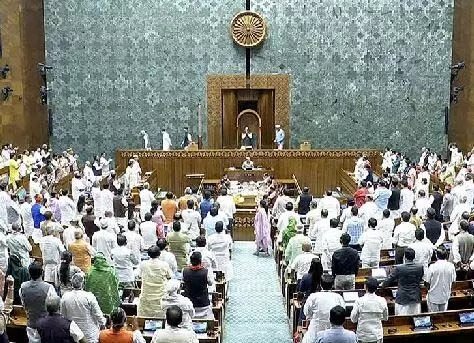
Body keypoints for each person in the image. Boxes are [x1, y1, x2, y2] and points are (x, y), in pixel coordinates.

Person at [61, 273, 106, 343]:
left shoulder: (65, 297)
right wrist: (103, 323)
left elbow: (63, 316)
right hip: (90, 335)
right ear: (83, 283)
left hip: (73, 335)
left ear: (72, 283)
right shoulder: (89, 296)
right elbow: (98, 315)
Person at [20, 261, 57, 343]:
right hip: (45, 325)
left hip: (31, 323)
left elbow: (24, 304)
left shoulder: (23, 287)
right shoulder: (49, 288)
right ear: (42, 273)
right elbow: (54, 307)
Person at [382, 248, 424, 315]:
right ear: (414, 256)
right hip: (415, 297)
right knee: (415, 318)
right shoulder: (420, 267)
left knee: (402, 319)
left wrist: (382, 285)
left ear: (404, 257)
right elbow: (420, 279)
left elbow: (390, 279)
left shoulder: (399, 268)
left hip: (403, 298)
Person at [303, 274, 345, 340]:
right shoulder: (338, 297)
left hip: (315, 332)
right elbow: (342, 313)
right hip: (333, 334)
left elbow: (306, 313)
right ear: (332, 285)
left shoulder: (313, 296)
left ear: (320, 285)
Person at [350, 277, 388, 343]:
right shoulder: (382, 300)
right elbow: (385, 318)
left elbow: (353, 319)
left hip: (363, 336)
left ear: (365, 287)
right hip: (377, 336)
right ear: (376, 288)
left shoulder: (359, 301)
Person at [137, 245, 172, 317]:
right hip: (160, 296)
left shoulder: (143, 264)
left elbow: (139, 276)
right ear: (159, 254)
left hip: (147, 295)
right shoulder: (164, 265)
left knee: (145, 316)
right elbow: (170, 276)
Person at [182, 251, 214, 319]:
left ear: (190, 261)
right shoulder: (206, 272)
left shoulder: (184, 270)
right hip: (203, 304)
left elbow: (183, 282)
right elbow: (211, 283)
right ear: (200, 261)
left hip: (188, 303)